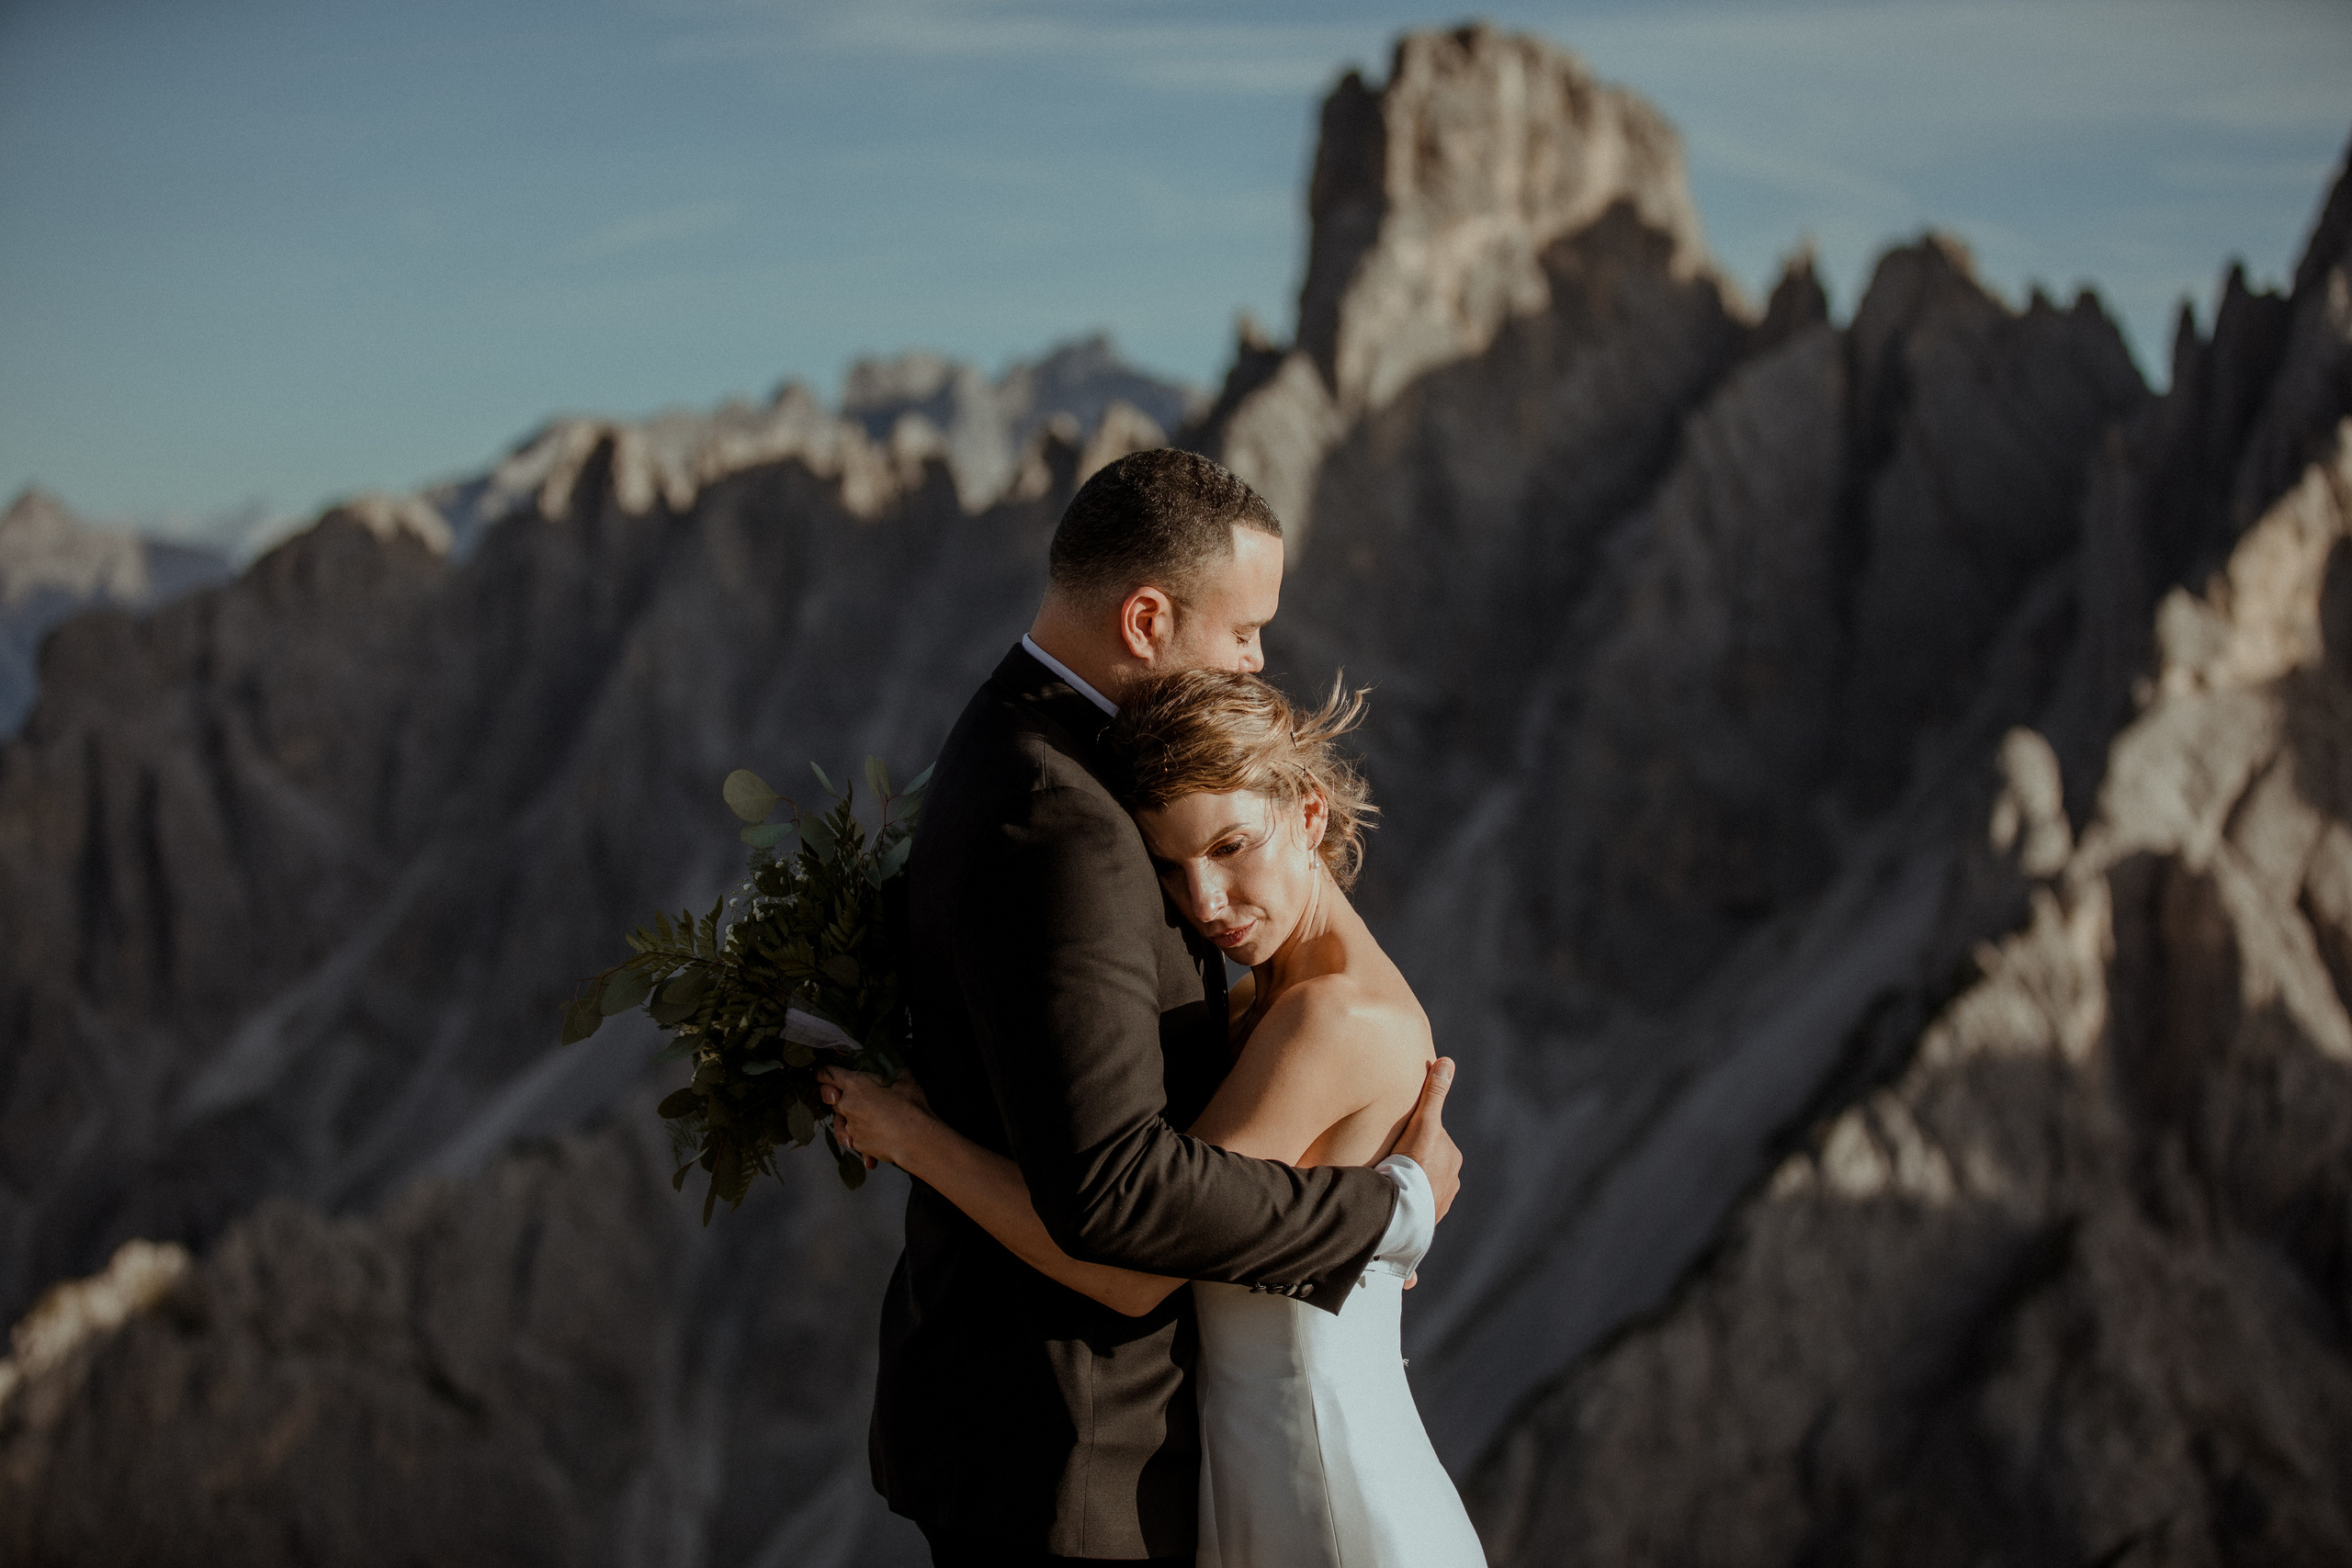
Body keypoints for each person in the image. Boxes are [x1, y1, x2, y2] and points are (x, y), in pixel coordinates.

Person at [822, 449, 1463, 1566]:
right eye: (1244, 631)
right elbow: (1116, 1198)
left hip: (1106, 1445)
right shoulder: (1059, 812)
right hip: (1072, 1448)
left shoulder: (1024, 743)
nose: (1260, 664)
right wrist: (1392, 1210)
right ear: (1146, 617)